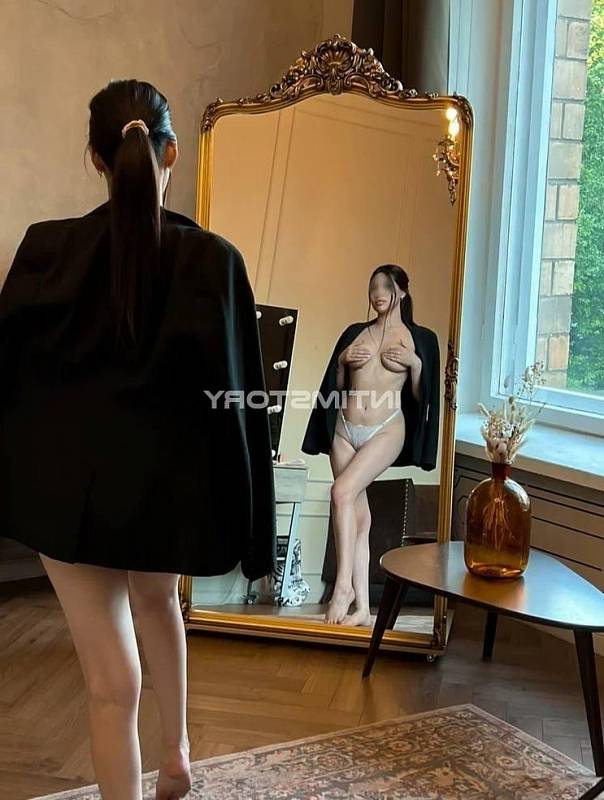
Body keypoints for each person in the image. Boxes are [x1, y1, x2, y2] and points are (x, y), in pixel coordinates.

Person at [0, 79, 276, 800]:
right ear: (171, 153)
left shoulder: (42, 253)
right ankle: (177, 755)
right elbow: (243, 406)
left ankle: (171, 759)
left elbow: (11, 387)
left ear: (95, 160)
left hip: (71, 502)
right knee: (159, 603)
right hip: (164, 498)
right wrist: (253, 533)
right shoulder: (215, 263)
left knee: (111, 686)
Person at [301, 265, 440, 627]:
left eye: (386, 286)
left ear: (403, 291)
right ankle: (363, 608)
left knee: (340, 493)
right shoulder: (354, 333)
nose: (378, 293)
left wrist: (415, 365)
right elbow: (335, 386)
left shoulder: (420, 339)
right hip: (344, 430)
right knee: (359, 517)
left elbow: (421, 398)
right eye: (374, 286)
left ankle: (342, 588)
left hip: (386, 428)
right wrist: (342, 362)